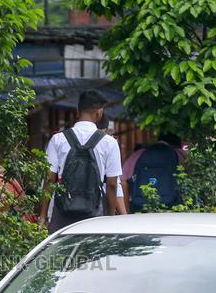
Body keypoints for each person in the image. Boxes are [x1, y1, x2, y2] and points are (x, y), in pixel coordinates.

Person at [44, 90, 123, 232]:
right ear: (99, 113)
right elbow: (112, 184)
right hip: (94, 214)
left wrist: (43, 216)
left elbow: (49, 179)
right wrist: (110, 219)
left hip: (63, 213)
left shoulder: (57, 140)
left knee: (62, 246)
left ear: (77, 111)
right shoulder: (109, 143)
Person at [123, 133, 184, 212]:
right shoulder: (179, 154)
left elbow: (123, 182)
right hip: (173, 207)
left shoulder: (138, 154)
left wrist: (127, 212)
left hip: (140, 207)